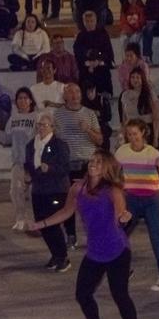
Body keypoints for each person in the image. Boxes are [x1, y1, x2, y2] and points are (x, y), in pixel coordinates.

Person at [28, 149, 145, 319]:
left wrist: (125, 216)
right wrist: (41, 223)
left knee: (120, 295)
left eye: (99, 162)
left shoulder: (112, 191)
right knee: (82, 294)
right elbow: (66, 212)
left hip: (117, 250)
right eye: (92, 161)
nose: (93, 164)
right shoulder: (77, 188)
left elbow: (121, 215)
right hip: (95, 251)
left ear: (107, 168)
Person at [115, 119, 159, 291]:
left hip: (151, 201)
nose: (132, 137)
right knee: (120, 234)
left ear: (143, 133)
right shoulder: (122, 152)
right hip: (131, 200)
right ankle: (123, 269)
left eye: (135, 133)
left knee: (156, 238)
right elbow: (111, 169)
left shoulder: (152, 152)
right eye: (129, 134)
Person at [54, 82, 103, 247]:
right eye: (70, 92)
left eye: (77, 91)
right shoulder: (57, 114)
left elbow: (100, 140)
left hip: (88, 163)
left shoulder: (89, 114)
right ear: (65, 96)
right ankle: (71, 235)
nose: (74, 95)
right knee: (68, 201)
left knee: (91, 201)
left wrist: (88, 129)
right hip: (67, 164)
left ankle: (94, 235)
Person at [25, 112, 71, 271]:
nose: (41, 128)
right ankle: (55, 254)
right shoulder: (31, 145)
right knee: (42, 224)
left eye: (45, 125)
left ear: (52, 127)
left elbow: (65, 168)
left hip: (56, 189)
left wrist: (50, 168)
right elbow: (28, 164)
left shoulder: (59, 144)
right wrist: (28, 174)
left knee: (51, 224)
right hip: (38, 190)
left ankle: (63, 256)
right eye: (39, 125)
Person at [0, 87, 36, 231]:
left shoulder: (37, 117)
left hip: (34, 162)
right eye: (19, 98)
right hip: (18, 161)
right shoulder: (13, 118)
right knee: (15, 191)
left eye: (25, 98)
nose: (22, 101)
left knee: (33, 192)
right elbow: (7, 139)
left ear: (30, 100)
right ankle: (20, 218)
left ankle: (34, 220)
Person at [73, 10, 114, 95]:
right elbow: (77, 52)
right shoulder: (81, 36)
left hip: (101, 65)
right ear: (83, 22)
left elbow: (108, 51)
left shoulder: (103, 34)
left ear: (96, 21)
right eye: (87, 21)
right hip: (86, 67)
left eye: (91, 21)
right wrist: (88, 60)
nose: (89, 23)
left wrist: (98, 61)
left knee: (104, 73)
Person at [118, 67, 159, 148]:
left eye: (138, 77)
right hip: (131, 131)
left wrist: (156, 137)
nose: (135, 80)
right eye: (133, 77)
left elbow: (157, 117)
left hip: (147, 130)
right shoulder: (125, 95)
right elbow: (124, 118)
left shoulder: (150, 93)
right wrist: (122, 135)